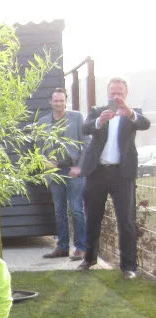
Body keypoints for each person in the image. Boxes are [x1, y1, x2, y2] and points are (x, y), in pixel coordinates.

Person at [78, 77, 150, 280]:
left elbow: (145, 124)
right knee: (92, 217)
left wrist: (130, 113)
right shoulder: (97, 111)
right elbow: (85, 128)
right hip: (97, 172)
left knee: (126, 221)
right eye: (113, 92)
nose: (116, 96)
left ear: (125, 94)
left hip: (122, 174)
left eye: (120, 92)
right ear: (108, 93)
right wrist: (100, 120)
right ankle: (89, 259)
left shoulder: (132, 113)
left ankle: (128, 267)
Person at [38, 87, 88, 261]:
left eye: (61, 100)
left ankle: (81, 248)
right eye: (56, 100)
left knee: (76, 209)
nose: (59, 103)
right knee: (59, 210)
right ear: (50, 102)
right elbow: (39, 146)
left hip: (73, 170)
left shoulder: (77, 118)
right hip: (55, 172)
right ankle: (62, 247)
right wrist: (45, 162)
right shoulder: (43, 122)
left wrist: (79, 167)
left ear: (65, 101)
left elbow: (86, 143)